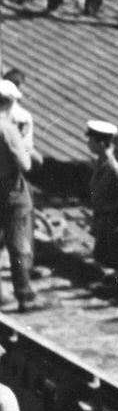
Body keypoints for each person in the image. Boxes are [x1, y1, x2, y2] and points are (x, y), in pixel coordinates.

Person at [0, 78, 36, 312]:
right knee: (19, 243)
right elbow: (25, 163)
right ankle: (24, 295)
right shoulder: (6, 128)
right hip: (11, 189)